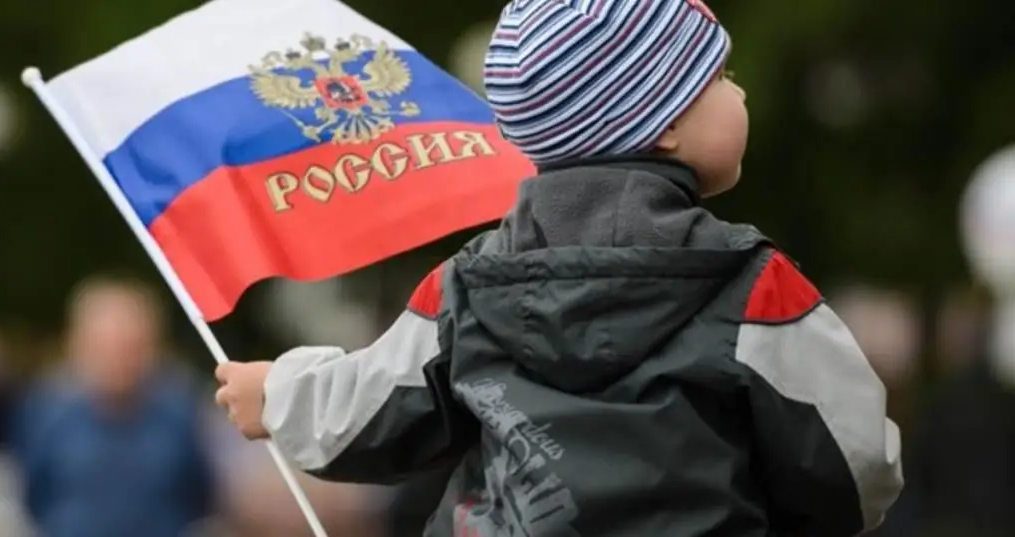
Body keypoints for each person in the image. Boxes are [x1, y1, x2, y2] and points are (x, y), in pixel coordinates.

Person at [215, 1, 904, 535]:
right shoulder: (752, 287)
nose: (742, 94)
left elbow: (369, 411)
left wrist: (277, 392)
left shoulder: (466, 287)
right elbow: (856, 457)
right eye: (719, 78)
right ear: (660, 122)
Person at [10, 274, 217, 537]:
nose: (118, 360)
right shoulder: (47, 411)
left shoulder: (179, 411)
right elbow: (33, 494)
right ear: (77, 344)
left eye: (130, 347)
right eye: (104, 347)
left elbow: (200, 495)